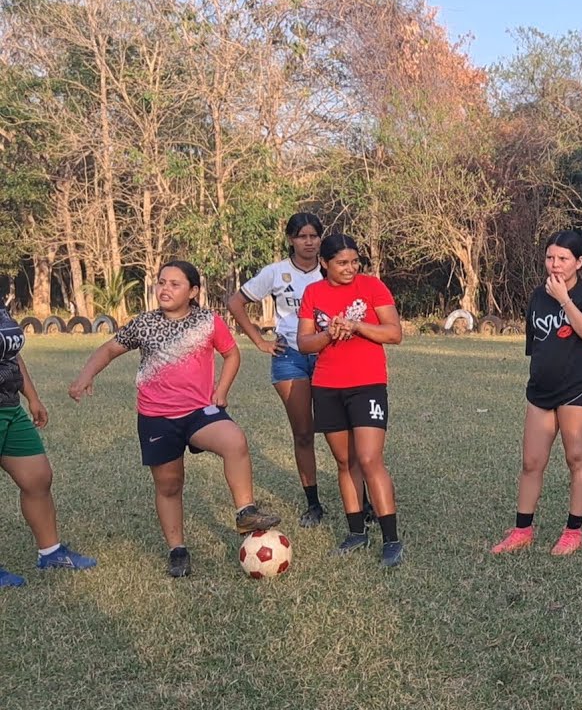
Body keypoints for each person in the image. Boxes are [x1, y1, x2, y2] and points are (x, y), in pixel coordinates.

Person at [69, 261, 280, 578]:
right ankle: (177, 550)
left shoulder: (208, 321)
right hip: (157, 417)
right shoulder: (144, 323)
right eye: (161, 282)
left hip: (199, 412)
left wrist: (221, 391)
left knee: (234, 440)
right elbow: (109, 350)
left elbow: (232, 354)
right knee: (169, 485)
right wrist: (84, 376)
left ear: (194, 291)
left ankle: (245, 512)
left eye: (175, 284)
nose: (164, 289)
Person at [491, 231, 582, 557]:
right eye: (550, 257)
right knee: (531, 461)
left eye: (563, 259)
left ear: (579, 262)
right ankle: (522, 530)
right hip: (541, 391)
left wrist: (565, 300)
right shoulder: (536, 297)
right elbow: (537, 345)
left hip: (579, 389)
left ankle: (573, 531)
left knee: (576, 458)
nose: (555, 265)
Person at [296, 234, 404, 567]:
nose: (350, 268)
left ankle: (391, 540)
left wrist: (356, 325)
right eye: (342, 262)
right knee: (345, 463)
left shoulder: (372, 287)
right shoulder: (313, 293)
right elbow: (303, 343)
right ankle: (356, 532)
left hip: (368, 384)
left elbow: (394, 332)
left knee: (370, 459)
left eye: (354, 261)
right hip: (327, 386)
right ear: (324, 264)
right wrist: (329, 333)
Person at [227, 212, 332, 527]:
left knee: (340, 430)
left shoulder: (330, 269)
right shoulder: (275, 273)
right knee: (303, 433)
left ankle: (362, 500)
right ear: (291, 240)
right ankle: (313, 504)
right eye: (302, 236)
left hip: (328, 355)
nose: (309, 242)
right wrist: (259, 340)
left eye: (314, 236)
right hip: (291, 358)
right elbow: (235, 303)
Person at [0, 307, 97, 587]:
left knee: (38, 477)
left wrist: (32, 397)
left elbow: (12, 354)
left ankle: (51, 553)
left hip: (9, 406)